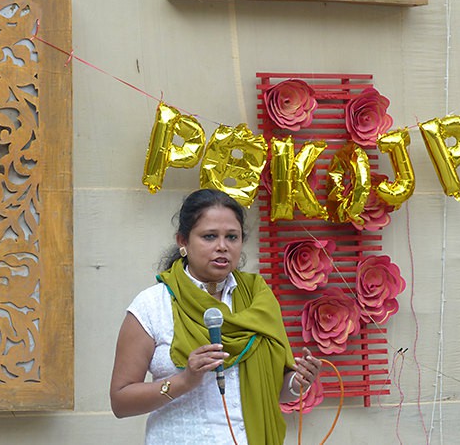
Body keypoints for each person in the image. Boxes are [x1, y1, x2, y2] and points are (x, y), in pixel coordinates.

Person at [110, 188, 322, 445]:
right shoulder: (153, 306)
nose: (222, 246)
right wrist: (185, 381)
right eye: (209, 236)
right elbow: (120, 402)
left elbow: (271, 390)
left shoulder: (258, 300)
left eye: (232, 237)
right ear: (183, 241)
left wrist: (297, 382)